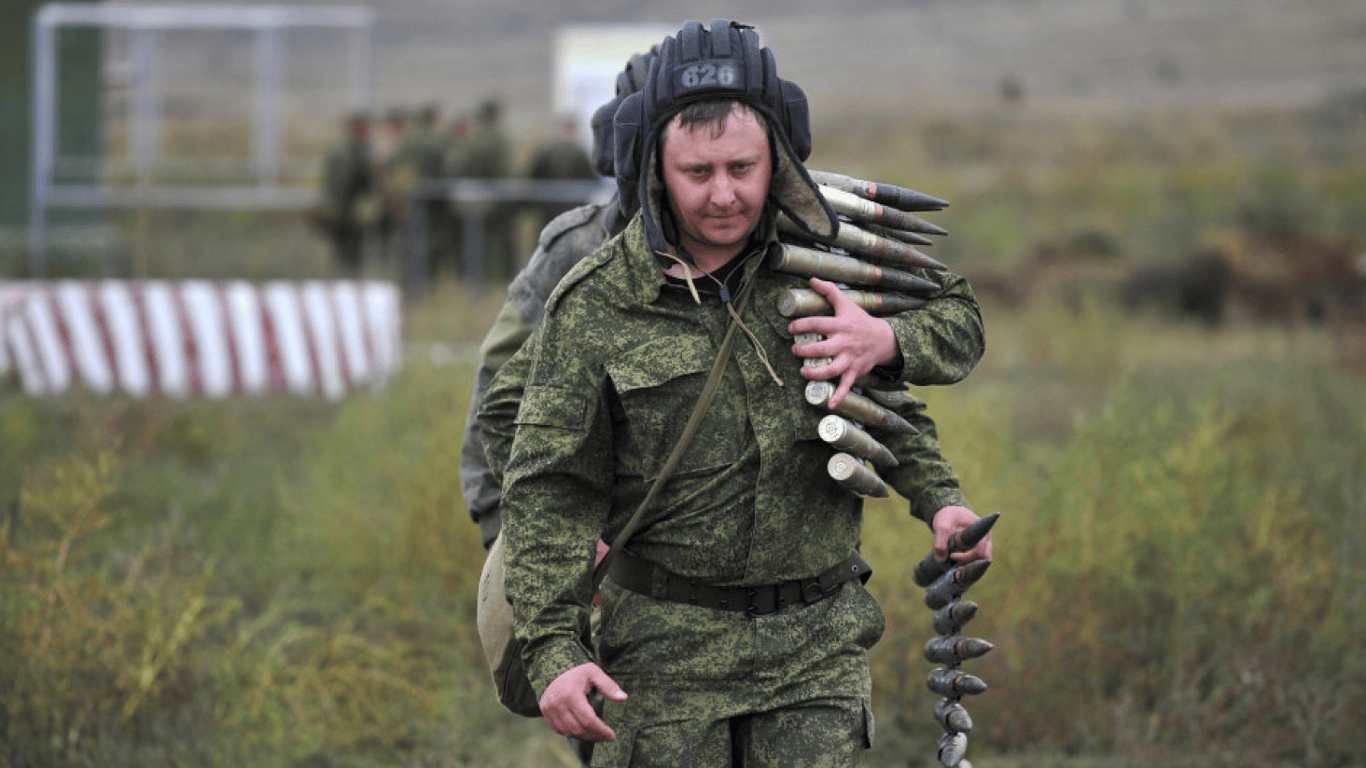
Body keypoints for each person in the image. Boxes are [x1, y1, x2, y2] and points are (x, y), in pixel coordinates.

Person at [478, 20, 992, 767]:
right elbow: (550, 485)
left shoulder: (828, 257)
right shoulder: (594, 302)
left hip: (816, 654)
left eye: (743, 168)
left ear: (776, 158)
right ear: (654, 165)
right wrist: (556, 651)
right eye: (698, 173)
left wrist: (890, 352)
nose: (724, 195)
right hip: (660, 665)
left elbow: (942, 338)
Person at [314, 112, 378, 275]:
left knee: (354, 252)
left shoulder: (361, 148)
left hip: (353, 210)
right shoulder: (344, 150)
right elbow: (340, 181)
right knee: (344, 252)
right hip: (344, 209)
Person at [526, 116, 599, 232]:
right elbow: (593, 179)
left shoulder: (547, 151)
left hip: (552, 207)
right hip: (569, 209)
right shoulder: (577, 153)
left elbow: (533, 177)